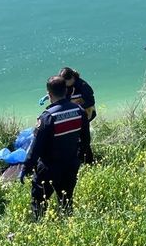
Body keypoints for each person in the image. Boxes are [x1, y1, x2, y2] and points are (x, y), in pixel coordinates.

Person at [22, 75, 91, 219]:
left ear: (49, 94)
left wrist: (26, 168)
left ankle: (39, 225)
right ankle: (68, 224)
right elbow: (85, 139)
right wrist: (79, 157)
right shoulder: (79, 111)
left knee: (39, 201)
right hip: (71, 164)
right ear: (66, 91)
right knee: (66, 200)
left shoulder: (47, 117)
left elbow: (36, 148)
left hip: (49, 168)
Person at [59, 67, 96, 163]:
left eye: (65, 82)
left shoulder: (83, 86)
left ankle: (88, 161)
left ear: (71, 78)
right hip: (74, 114)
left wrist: (77, 108)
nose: (64, 84)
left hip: (86, 113)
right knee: (74, 137)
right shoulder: (67, 86)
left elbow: (91, 101)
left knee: (83, 138)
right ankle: (78, 159)